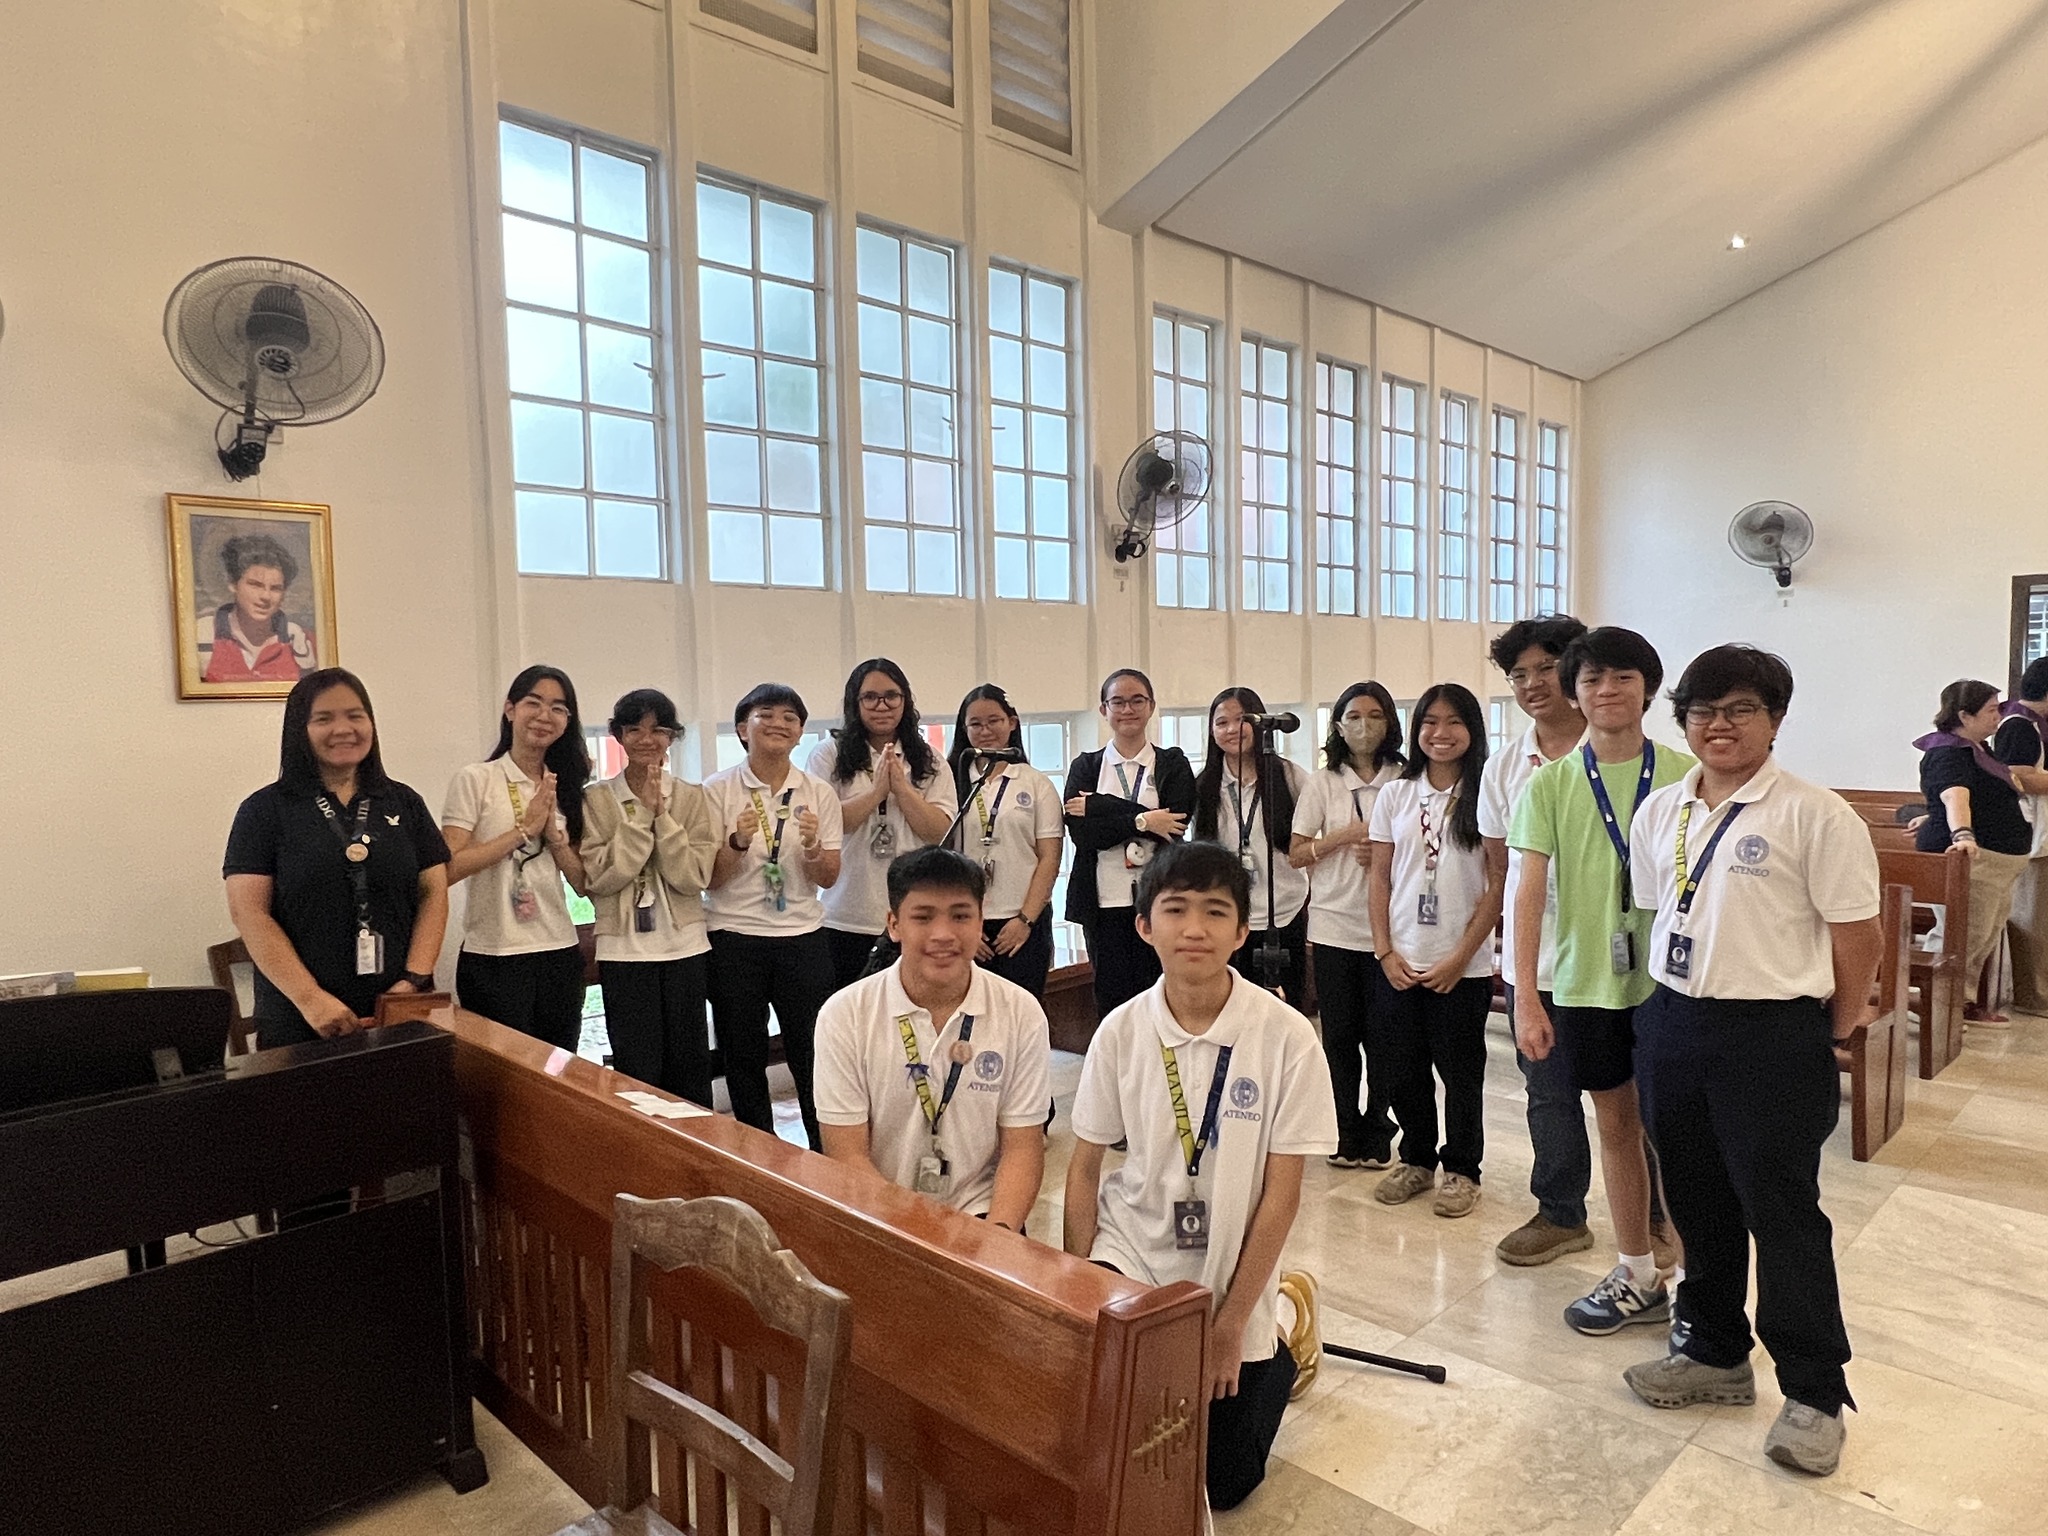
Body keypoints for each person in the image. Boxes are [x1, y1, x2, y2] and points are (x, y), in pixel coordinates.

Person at [1622, 645, 1880, 1478]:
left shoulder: (1816, 814)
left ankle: (1813, 1390)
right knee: (1695, 1201)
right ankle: (1713, 1351)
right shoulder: (1662, 810)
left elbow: (1857, 937)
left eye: (1739, 710)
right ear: (1683, 720)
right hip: (1672, 1021)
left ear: (1774, 720)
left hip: (1771, 1034)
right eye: (1702, 710)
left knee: (1783, 1212)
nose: (1719, 725)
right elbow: (1665, 911)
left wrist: (1830, 1029)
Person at [1063, 842, 1335, 1512]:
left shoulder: (1286, 1036)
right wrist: (1076, 1288)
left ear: (1242, 931)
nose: (1194, 929)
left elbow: (1283, 1194)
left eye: (1216, 912)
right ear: (1143, 925)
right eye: (1175, 909)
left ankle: (1277, 1333)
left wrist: (1229, 1323)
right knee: (1118, 1451)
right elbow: (1083, 1168)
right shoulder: (1122, 1031)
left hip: (1232, 1263)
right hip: (1131, 1251)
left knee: (1224, 1483)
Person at [1510, 627, 1693, 1335]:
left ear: (1647, 687)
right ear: (1574, 693)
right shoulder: (1553, 781)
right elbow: (1529, 893)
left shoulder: (1685, 773)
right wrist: (1527, 993)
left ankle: (1699, 1284)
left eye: (1622, 678)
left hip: (1674, 983)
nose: (1606, 692)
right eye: (1591, 681)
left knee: (1679, 1134)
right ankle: (1638, 1270)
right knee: (1615, 1126)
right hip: (1587, 983)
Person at [815, 848, 1050, 1228]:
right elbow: (847, 1155)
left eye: (960, 916)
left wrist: (999, 1239)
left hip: (984, 1214)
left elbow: (1022, 1147)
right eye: (923, 917)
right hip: (883, 1216)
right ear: (894, 924)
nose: (943, 935)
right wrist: (913, 1239)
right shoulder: (845, 1015)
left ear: (980, 921)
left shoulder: (1021, 1012)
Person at [224, 668, 449, 1045]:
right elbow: (249, 912)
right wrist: (311, 1000)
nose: (343, 729)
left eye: (355, 715)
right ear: (300, 729)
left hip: (397, 1010)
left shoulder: (404, 802)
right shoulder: (263, 810)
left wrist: (413, 980)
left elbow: (433, 893)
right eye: (324, 718)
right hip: (299, 1018)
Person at [1477, 616, 1597, 1266]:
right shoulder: (1504, 767)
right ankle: (1560, 1213)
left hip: (1619, 961)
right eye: (1518, 674)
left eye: (1543, 669)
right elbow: (1502, 869)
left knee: (1637, 1097)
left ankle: (1662, 1215)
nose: (1530, 684)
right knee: (1548, 1092)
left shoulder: (1621, 752)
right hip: (1539, 958)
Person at [1367, 683, 1503, 1219]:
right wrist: (1384, 952)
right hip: (1400, 957)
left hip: (1459, 965)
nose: (1440, 734)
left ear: (1472, 730)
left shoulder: (1485, 794)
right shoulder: (1397, 795)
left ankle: (1462, 1170)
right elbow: (1379, 878)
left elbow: (1498, 883)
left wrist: (1461, 958)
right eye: (1429, 722)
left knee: (1461, 1073)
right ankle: (1417, 1159)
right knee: (1401, 1067)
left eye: (1453, 723)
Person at [704, 683, 844, 1150]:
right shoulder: (717, 789)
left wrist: (810, 848)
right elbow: (711, 879)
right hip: (734, 937)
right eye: (766, 714)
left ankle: (824, 1156)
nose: (779, 724)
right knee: (742, 1054)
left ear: (801, 732)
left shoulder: (818, 792)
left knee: (812, 1053)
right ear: (743, 728)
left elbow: (828, 877)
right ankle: (757, 1155)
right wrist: (738, 843)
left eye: (790, 717)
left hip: (802, 937)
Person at [580, 689, 719, 1104]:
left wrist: (663, 817)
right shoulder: (597, 799)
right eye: (634, 729)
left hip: (685, 948)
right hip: (624, 952)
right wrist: (642, 815)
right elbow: (602, 877)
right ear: (617, 736)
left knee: (691, 1069)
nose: (646, 739)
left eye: (657, 729)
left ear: (672, 736)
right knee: (638, 1073)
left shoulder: (692, 798)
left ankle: (699, 1159)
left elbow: (692, 877)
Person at [441, 665, 591, 1051]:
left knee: (558, 1071)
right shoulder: (477, 778)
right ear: (509, 710)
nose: (545, 716)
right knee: (501, 1079)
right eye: (533, 703)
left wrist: (555, 839)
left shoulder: (567, 785)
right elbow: (448, 869)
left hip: (558, 950)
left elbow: (582, 884)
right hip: (494, 954)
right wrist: (522, 831)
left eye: (558, 708)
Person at [1290, 681, 1406, 1169]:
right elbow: (1295, 854)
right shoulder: (1322, 783)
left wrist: (1384, 852)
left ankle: (1379, 1128)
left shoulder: (1405, 778)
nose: (1364, 727)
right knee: (1338, 1037)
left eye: (1375, 716)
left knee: (1384, 1037)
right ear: (1338, 725)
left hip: (1391, 930)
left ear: (1390, 723)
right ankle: (1342, 1127)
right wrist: (1343, 837)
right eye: (1353, 717)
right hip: (1333, 927)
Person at [812, 659, 958, 990]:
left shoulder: (930, 758)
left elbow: (940, 832)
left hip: (912, 915)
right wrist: (877, 792)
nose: (882, 706)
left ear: (905, 701)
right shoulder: (828, 754)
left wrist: (902, 790)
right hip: (845, 915)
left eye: (892, 696)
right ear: (855, 702)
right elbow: (827, 824)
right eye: (871, 697)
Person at [1063, 668, 1197, 1022]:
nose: (1127, 709)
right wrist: (1143, 820)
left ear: (1151, 706)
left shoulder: (1172, 763)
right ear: (1104, 709)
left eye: (1137, 700)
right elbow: (1083, 834)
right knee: (1113, 1001)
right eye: (1117, 701)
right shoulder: (1087, 766)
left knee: (1162, 996)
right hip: (1104, 902)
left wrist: (1101, 807)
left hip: (1159, 899)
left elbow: (1175, 825)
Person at [1915, 679, 2042, 1024]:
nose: (1998, 715)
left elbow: (1980, 795)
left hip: (1998, 861)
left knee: (1981, 936)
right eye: (1990, 709)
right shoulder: (1949, 750)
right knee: (1962, 937)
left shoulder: (1977, 748)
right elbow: (1954, 795)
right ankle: (1931, 1006)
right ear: (1963, 715)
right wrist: (1962, 834)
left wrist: (1931, 816)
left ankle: (1962, 1003)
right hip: (1974, 857)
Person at [1193, 687, 1310, 1004]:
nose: (1231, 729)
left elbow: (1311, 841)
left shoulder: (1290, 777)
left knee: (1285, 1010)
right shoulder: (1204, 784)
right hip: (1227, 917)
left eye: (1240, 720)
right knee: (1232, 1009)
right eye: (1221, 723)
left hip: (1283, 914)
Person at [947, 685, 1063, 997]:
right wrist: (964, 924)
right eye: (975, 724)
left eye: (994, 721)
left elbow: (1049, 859)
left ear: (1012, 723)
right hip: (970, 924)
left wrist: (1024, 920)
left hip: (1024, 922)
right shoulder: (952, 782)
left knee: (1023, 1015)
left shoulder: (1036, 783)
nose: (985, 731)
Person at [1996, 659, 2048, 1015]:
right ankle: (2032, 995)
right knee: (2031, 919)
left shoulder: (2036, 724)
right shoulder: (2018, 726)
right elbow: (2018, 778)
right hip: (2032, 834)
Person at [201, 532, 315, 683]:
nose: (266, 597)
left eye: (275, 588)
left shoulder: (299, 639)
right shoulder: (203, 634)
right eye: (255, 585)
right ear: (233, 584)